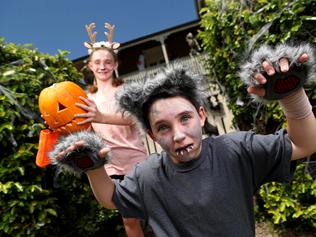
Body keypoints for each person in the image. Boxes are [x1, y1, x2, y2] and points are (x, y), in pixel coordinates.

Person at [53, 43, 316, 236]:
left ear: (202, 115)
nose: (178, 135)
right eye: (163, 127)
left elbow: (304, 145)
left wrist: (291, 96)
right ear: (151, 135)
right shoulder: (147, 174)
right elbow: (111, 198)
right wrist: (94, 168)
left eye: (185, 118)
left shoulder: (235, 149)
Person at [75, 22, 147, 237]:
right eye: (97, 62)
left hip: (136, 160)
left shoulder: (125, 91)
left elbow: (136, 118)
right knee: (130, 220)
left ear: (115, 64)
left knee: (156, 212)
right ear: (90, 66)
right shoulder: (86, 99)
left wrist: (101, 116)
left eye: (107, 61)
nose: (102, 66)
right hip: (111, 167)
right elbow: (83, 128)